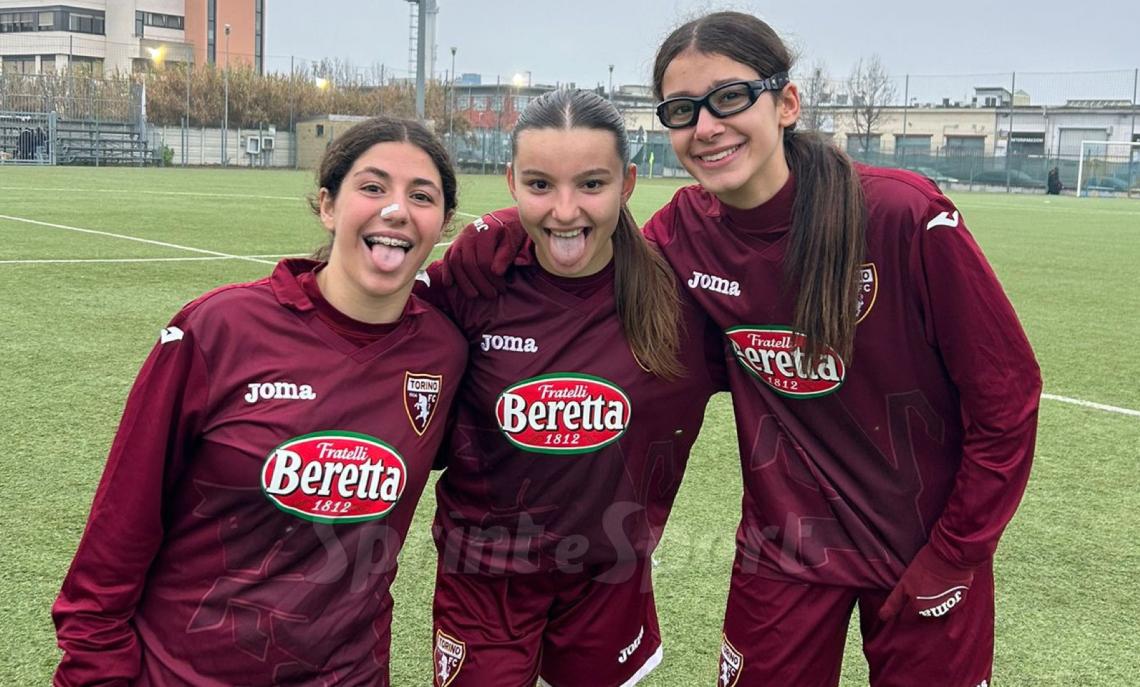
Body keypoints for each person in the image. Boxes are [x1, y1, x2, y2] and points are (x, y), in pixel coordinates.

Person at [443, 12, 1042, 687]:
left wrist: (956, 552)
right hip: (786, 550)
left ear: (786, 103)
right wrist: (502, 233)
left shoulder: (902, 215)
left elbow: (1008, 395)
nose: (706, 126)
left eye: (729, 97)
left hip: (921, 547)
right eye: (682, 109)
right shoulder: (681, 235)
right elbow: (587, 240)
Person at [52, 115, 467, 686]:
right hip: (184, 674)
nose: (396, 210)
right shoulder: (219, 328)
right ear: (327, 205)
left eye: (421, 196)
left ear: (442, 224)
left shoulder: (444, 353)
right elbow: (119, 529)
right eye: (372, 188)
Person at [419, 89, 726, 687]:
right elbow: (378, 339)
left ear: (628, 183)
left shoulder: (679, 300)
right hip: (484, 577)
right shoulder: (476, 278)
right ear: (511, 181)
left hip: (608, 578)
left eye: (591, 184)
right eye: (539, 186)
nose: (564, 211)